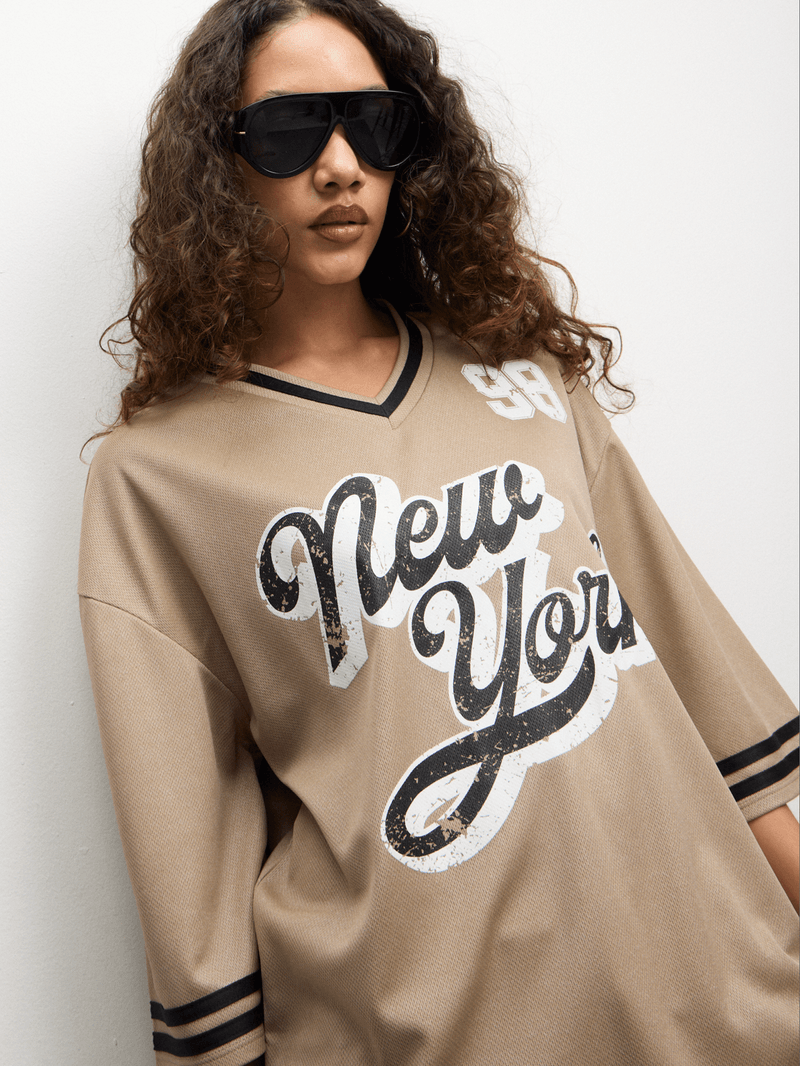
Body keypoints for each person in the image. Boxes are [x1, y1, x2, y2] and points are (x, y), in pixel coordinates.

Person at [78, 1, 799, 1064]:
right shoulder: (158, 473)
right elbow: (187, 840)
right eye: (290, 130)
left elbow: (694, 676)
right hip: (417, 1024)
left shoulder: (524, 376)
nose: (340, 167)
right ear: (218, 164)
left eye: (371, 125)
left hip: (705, 986)